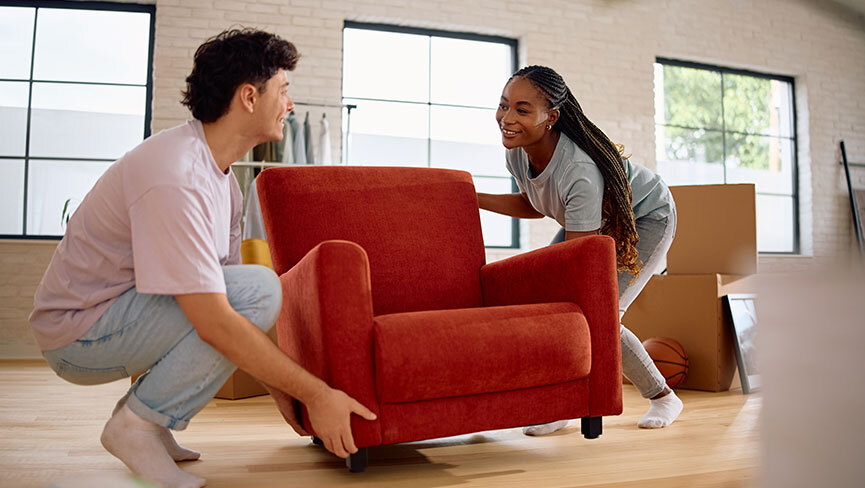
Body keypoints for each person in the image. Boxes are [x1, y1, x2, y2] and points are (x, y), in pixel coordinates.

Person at [29, 29, 375, 488]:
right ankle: (134, 426)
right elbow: (218, 322)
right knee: (260, 287)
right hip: (77, 336)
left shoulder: (222, 180)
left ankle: (149, 422)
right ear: (250, 97)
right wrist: (317, 395)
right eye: (284, 90)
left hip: (113, 319)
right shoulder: (177, 176)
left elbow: (231, 313)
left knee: (246, 289)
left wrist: (288, 400)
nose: (290, 105)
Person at [478, 65, 683, 434]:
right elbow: (535, 203)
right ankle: (568, 402)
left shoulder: (579, 171)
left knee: (598, 312)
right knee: (557, 306)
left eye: (522, 110)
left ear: (551, 117)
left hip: (646, 217)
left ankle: (663, 396)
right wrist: (472, 199)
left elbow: (579, 261)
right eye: (504, 105)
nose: (506, 118)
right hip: (593, 222)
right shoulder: (517, 152)